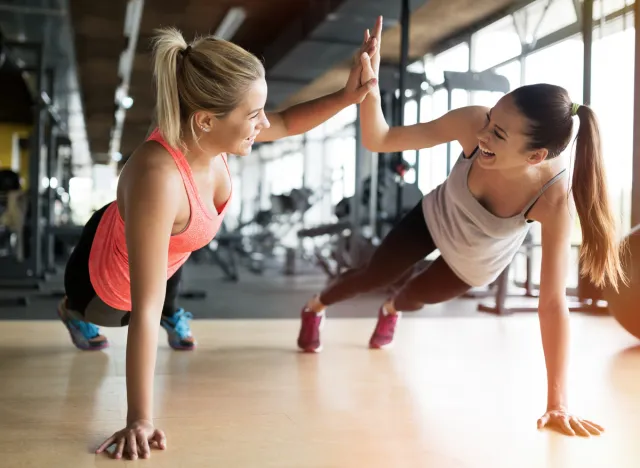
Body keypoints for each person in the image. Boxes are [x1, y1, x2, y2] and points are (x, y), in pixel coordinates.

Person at [57, 24, 379, 460]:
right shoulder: (159, 178)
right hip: (102, 276)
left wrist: (349, 95)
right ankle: (71, 311)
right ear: (206, 119)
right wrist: (139, 417)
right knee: (120, 316)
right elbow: (145, 307)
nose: (263, 122)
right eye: (254, 115)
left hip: (167, 245)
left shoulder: (213, 134)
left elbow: (284, 122)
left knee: (166, 276)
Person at [296, 18, 625, 438]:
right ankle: (315, 307)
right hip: (435, 217)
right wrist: (370, 88)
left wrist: (557, 403)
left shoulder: (553, 199)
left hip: (474, 262)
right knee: (373, 275)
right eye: (490, 119)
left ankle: (390, 311)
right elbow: (380, 139)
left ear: (534, 155)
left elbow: (552, 303)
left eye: (498, 134)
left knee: (410, 298)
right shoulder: (473, 125)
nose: (483, 133)